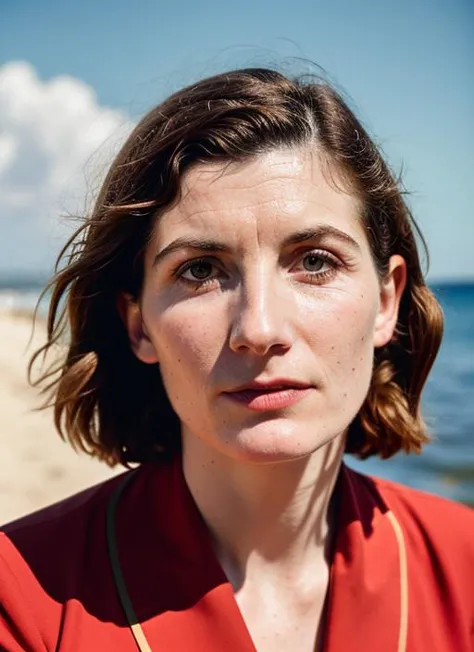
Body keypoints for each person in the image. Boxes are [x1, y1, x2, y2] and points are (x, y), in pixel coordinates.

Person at [0, 68, 472, 652]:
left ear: (385, 301)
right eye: (200, 270)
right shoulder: (21, 598)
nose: (259, 329)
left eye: (315, 261)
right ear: (138, 323)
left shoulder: (466, 570)